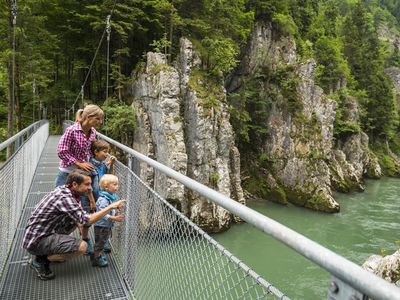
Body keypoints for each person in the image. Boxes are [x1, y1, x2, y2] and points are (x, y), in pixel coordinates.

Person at [22, 170, 125, 280]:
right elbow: (87, 220)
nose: (90, 188)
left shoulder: (67, 191)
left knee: (76, 222)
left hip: (41, 232)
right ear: (75, 184)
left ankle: (49, 252)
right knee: (82, 247)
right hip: (36, 240)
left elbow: (79, 217)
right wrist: (110, 207)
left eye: (90, 184)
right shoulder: (65, 198)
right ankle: (40, 261)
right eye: (87, 184)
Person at [56, 104, 104, 253]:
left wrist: (102, 160)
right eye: (98, 118)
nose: (100, 122)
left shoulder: (93, 132)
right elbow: (61, 151)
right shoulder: (72, 130)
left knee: (85, 208)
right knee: (60, 205)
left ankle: (85, 239)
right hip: (67, 172)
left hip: (83, 175)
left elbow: (91, 151)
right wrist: (79, 163)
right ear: (89, 118)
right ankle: (55, 240)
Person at [90, 140, 116, 253]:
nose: (107, 154)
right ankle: (96, 248)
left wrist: (111, 165)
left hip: (105, 196)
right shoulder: (90, 166)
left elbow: (109, 176)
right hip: (97, 197)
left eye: (107, 152)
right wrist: (91, 200)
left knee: (106, 219)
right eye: (104, 152)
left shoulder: (102, 164)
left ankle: (104, 241)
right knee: (99, 220)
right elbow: (89, 185)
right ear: (96, 152)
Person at [92, 174, 123, 267]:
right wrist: (114, 218)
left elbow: (110, 208)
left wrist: (116, 208)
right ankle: (96, 258)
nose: (117, 186)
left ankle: (97, 255)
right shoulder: (103, 199)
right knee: (100, 242)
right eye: (114, 184)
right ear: (106, 187)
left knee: (103, 240)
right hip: (102, 226)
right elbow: (102, 213)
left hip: (106, 225)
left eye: (117, 184)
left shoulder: (110, 197)